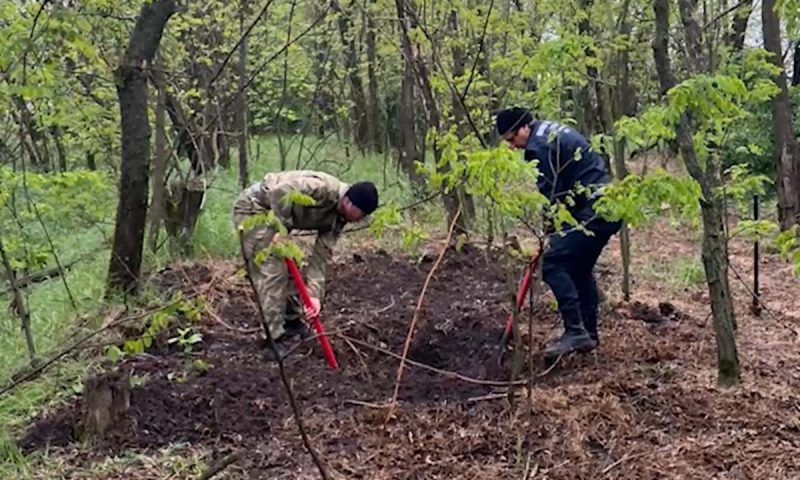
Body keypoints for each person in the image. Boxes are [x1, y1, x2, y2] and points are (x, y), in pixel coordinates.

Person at [495, 107, 621, 363]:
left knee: (552, 263)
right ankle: (588, 334)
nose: (513, 147)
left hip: (595, 212)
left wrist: (548, 233)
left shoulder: (538, 146)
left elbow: (550, 194)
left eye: (511, 139)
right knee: (578, 268)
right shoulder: (549, 132)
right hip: (607, 208)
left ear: (523, 128)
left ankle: (575, 331)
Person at [232, 170, 378, 361]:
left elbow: (320, 259)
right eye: (362, 214)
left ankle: (292, 323)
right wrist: (282, 228)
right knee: (273, 270)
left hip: (276, 220)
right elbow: (280, 191)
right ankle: (273, 338)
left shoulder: (338, 219)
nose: (362, 219)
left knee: (292, 267)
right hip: (255, 208)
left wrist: (314, 296)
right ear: (349, 202)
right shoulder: (322, 188)